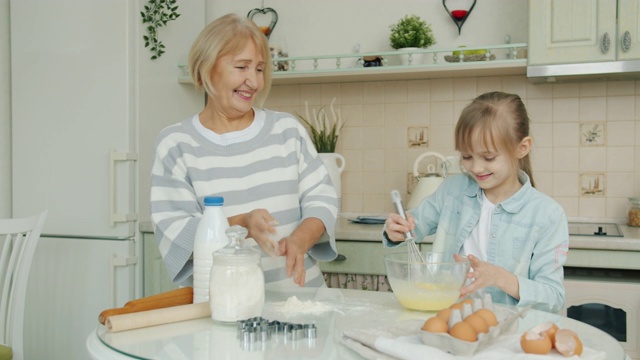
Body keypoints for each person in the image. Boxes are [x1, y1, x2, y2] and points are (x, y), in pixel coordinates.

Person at [150, 13, 338, 289]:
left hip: (301, 305)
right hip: (222, 311)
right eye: (242, 67)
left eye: (259, 69)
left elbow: (322, 199)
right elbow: (178, 234)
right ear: (205, 69)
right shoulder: (176, 144)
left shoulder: (287, 130)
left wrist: (300, 239)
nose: (254, 81)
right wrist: (242, 225)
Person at [384, 91, 568, 313]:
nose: (476, 168)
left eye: (488, 158)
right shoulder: (453, 191)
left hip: (509, 331)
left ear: (522, 147)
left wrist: (500, 277)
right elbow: (413, 228)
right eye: (467, 156)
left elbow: (553, 297)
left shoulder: (547, 215)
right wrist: (396, 230)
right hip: (447, 319)